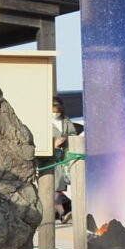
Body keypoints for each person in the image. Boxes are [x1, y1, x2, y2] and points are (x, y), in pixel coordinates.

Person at [51, 96, 74, 225]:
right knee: (53, 188)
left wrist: (64, 139)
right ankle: (63, 212)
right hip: (50, 160)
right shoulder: (44, 122)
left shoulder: (66, 121)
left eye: (58, 106)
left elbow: (73, 135)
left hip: (63, 159)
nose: (56, 109)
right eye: (54, 106)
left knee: (58, 187)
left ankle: (63, 212)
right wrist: (53, 143)